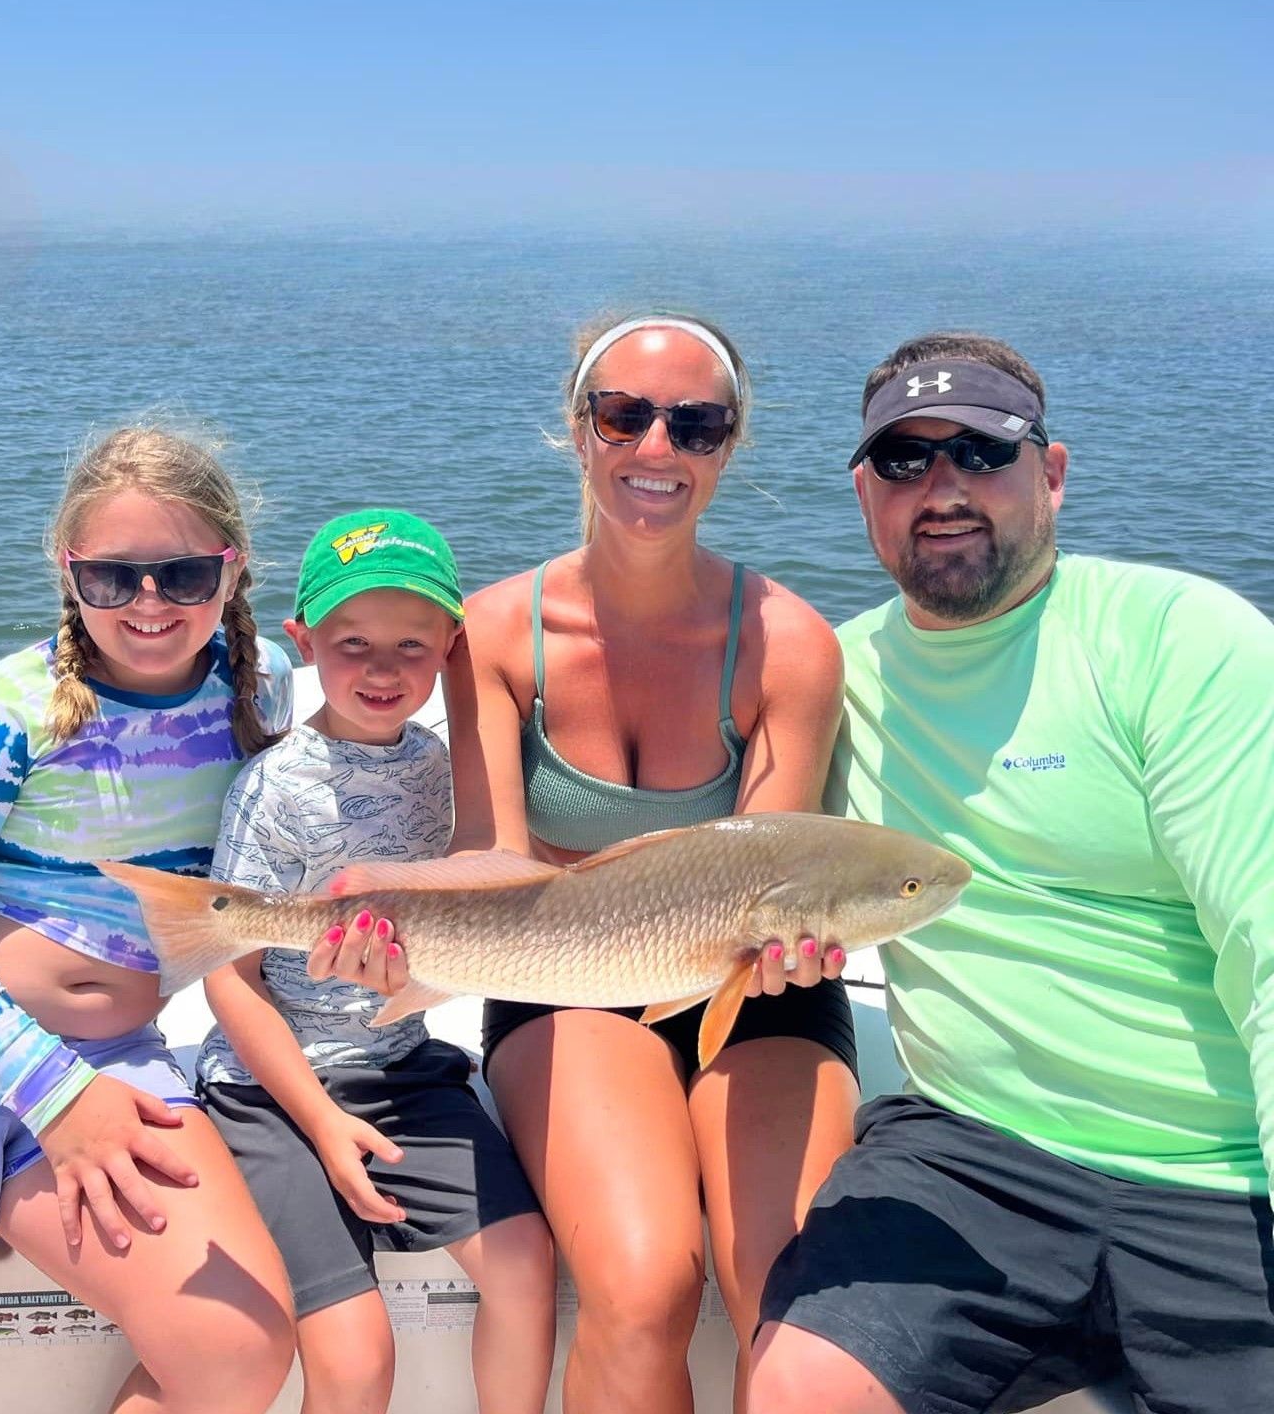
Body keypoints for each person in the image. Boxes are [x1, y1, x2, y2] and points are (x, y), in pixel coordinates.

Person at [315, 313, 861, 1414]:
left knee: (791, 1300)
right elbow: (497, 861)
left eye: (696, 424)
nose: (656, 448)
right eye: (625, 414)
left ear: (729, 445)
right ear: (579, 429)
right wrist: (387, 919)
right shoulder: (498, 635)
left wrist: (795, 948)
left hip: (753, 986)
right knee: (650, 1282)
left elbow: (775, 876)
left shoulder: (788, 644)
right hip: (565, 975)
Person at [751, 333, 1274, 1414]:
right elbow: (719, 868)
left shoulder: (1180, 642)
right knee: (802, 1388)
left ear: (1054, 472)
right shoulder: (830, 679)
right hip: (972, 1153)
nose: (941, 489)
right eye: (904, 461)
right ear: (863, 491)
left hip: (1228, 1177)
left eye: (981, 453)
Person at [0, 426, 298, 1414]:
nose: (147, 604)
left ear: (234, 567)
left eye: (181, 575)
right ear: (68, 570)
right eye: (112, 578)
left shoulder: (261, 699)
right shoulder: (6, 710)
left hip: (112, 1062)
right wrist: (52, 1095)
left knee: (238, 1356)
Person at [197, 508, 556, 1414]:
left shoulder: (443, 769)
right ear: (303, 641)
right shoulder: (273, 787)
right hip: (271, 1094)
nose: (384, 668)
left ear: (450, 649)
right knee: (357, 1360)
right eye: (352, 641)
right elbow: (225, 973)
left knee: (524, 1263)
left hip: (404, 1069)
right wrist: (320, 1121)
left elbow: (495, 879)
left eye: (412, 643)